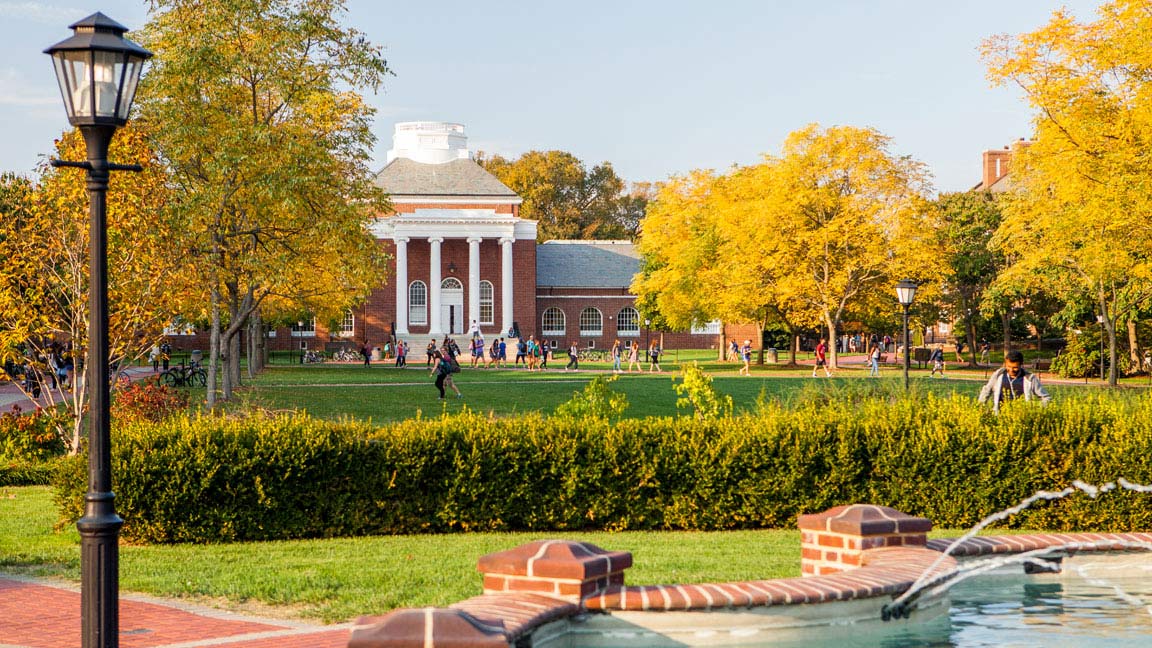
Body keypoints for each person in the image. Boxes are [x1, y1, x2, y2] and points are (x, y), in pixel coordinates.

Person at [979, 350, 1051, 413]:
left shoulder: (1030, 378)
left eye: (1015, 367)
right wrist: (980, 407)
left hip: (1022, 418)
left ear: (1021, 364)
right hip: (999, 416)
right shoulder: (999, 374)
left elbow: (1046, 398)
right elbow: (986, 391)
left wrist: (1033, 408)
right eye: (1008, 366)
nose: (1011, 370)